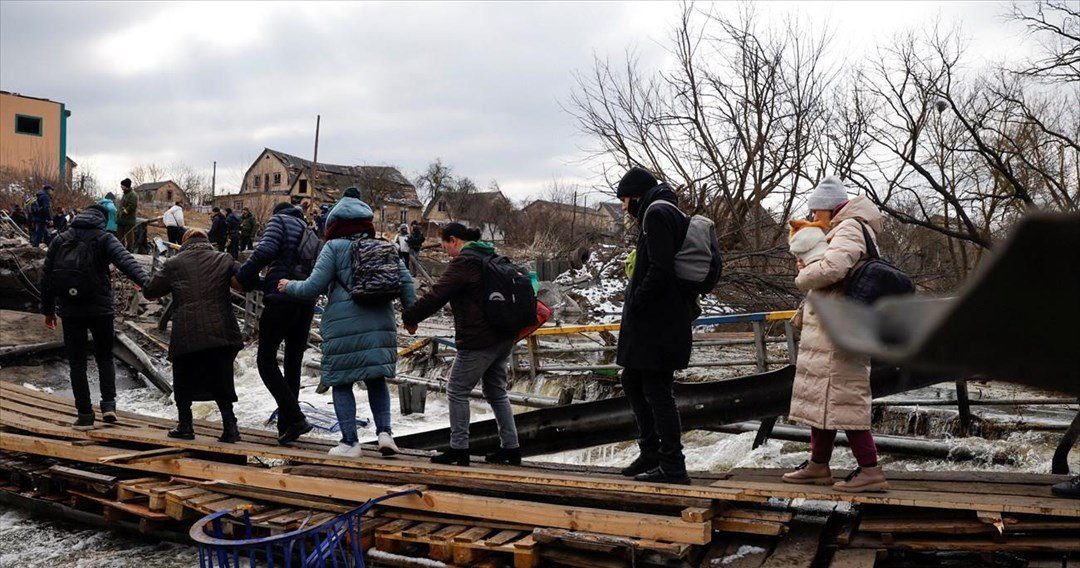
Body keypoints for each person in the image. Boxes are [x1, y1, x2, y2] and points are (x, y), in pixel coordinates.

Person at [279, 188, 416, 457]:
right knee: (377, 379)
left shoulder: (333, 247)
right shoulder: (385, 246)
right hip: (380, 322)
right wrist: (410, 318)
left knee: (342, 382)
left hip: (344, 325)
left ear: (334, 222)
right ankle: (385, 433)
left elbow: (313, 287)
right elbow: (406, 284)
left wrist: (288, 286)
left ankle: (350, 442)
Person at [782, 176, 889, 493]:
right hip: (832, 326)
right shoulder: (843, 228)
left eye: (816, 213)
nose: (814, 219)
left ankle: (870, 470)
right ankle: (818, 465)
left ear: (830, 208)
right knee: (823, 397)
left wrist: (803, 275)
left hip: (840, 328)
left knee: (846, 398)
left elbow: (833, 269)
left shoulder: (851, 227)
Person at [402, 222, 521, 466]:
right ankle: (511, 448)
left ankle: (459, 449)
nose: (445, 251)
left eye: (445, 245)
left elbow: (436, 295)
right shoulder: (491, 257)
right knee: (496, 391)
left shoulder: (464, 263)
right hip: (504, 336)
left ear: (453, 240)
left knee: (456, 390)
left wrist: (410, 317)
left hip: (479, 339)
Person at [611, 167, 696, 485]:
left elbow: (660, 268)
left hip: (658, 320)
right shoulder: (663, 209)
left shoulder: (657, 213)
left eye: (623, 200)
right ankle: (651, 452)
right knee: (632, 380)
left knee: (658, 392)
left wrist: (638, 302)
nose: (622, 207)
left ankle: (673, 466)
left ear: (635, 194)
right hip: (662, 318)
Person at [40, 204, 149, 430]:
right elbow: (126, 261)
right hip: (100, 309)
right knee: (104, 357)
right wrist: (147, 283)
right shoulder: (104, 238)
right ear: (102, 219)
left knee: (77, 364)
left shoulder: (60, 240)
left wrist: (48, 310)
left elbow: (46, 277)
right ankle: (108, 406)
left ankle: (85, 416)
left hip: (70, 310)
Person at [143, 228, 244, 442]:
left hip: (187, 332)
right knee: (222, 378)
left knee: (183, 379)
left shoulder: (173, 264)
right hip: (222, 330)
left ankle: (186, 426)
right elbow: (243, 284)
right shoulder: (224, 259)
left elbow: (151, 291)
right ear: (207, 242)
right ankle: (230, 428)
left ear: (184, 242)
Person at [235, 201, 317, 445]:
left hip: (281, 302)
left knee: (265, 360)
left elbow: (265, 252)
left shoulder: (279, 221)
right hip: (305, 302)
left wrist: (242, 276)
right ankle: (287, 428)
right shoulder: (308, 230)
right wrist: (258, 283)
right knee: (293, 362)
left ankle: (296, 417)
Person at [117, 178, 138, 252]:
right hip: (121, 220)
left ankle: (129, 250)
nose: (121, 187)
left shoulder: (133, 194)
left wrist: (124, 212)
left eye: (122, 185)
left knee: (129, 236)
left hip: (128, 220)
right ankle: (121, 249)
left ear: (126, 186)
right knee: (119, 236)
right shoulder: (125, 194)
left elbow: (132, 206)